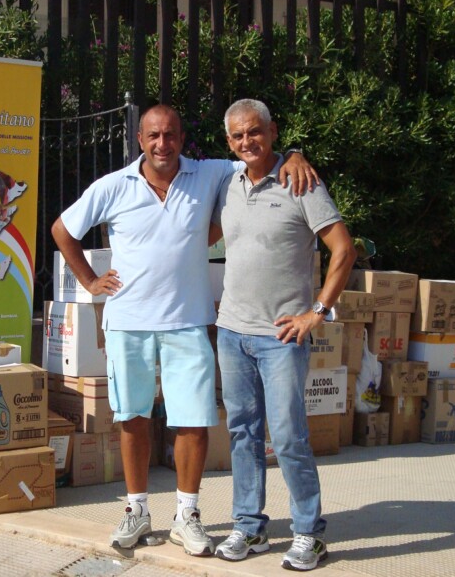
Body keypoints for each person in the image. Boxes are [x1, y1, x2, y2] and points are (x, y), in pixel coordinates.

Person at [50, 104, 318, 557]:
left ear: (182, 138)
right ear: (140, 140)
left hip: (188, 322)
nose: (163, 144)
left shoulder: (209, 173)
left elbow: (256, 155)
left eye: (171, 134)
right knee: (132, 419)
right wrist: (91, 282)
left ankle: (186, 515)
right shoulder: (113, 185)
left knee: (193, 421)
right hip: (128, 323)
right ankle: (136, 510)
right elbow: (62, 230)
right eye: (154, 136)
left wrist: (294, 153)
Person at [210, 99, 356, 571]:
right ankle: (250, 527)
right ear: (228, 141)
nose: (247, 142)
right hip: (232, 332)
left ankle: (309, 534)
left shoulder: (301, 182)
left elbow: (344, 249)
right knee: (242, 433)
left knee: (290, 436)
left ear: (272, 131)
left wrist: (317, 313)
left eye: (255, 132)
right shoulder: (227, 184)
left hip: (282, 338)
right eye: (237, 136)